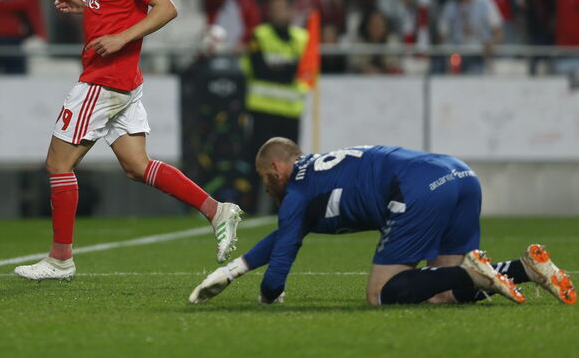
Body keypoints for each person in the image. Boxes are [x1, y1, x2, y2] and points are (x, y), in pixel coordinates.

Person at [14, 0, 242, 281]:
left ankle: (61, 259)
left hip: (104, 80)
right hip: (123, 82)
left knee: (58, 163)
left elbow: (166, 8)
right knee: (137, 165)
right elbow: (121, 5)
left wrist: (120, 38)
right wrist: (88, 6)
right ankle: (216, 210)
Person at [188, 138, 576, 307]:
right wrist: (233, 271)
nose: (265, 185)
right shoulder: (317, 177)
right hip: (459, 174)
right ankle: (525, 268)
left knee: (380, 295)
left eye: (263, 176)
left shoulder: (298, 193)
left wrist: (267, 297)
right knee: (440, 294)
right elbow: (286, 235)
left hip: (417, 188)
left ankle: (470, 271)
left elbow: (277, 276)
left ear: (276, 168)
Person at [241, 0, 307, 146]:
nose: (277, 13)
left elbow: (304, 71)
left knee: (291, 158)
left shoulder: (303, 38)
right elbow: (260, 70)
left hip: (291, 111)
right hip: (263, 109)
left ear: (291, 11)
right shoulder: (259, 35)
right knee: (260, 156)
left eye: (281, 8)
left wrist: (275, 69)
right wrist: (289, 69)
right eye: (273, 9)